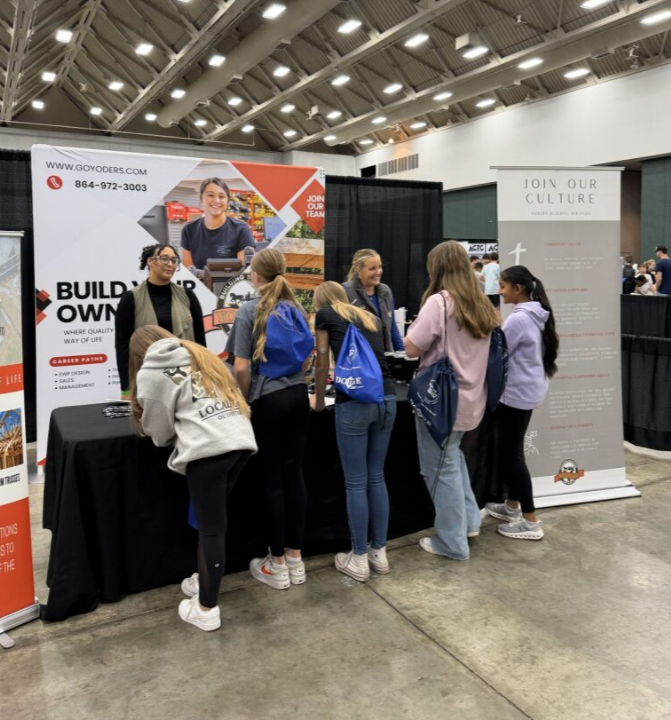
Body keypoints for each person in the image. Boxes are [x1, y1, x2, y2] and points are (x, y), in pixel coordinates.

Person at [129, 325, 257, 631]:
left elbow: (159, 434)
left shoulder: (150, 371)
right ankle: (204, 578)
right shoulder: (198, 354)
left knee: (211, 530)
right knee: (210, 523)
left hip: (208, 450)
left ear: (136, 355)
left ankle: (206, 608)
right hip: (239, 441)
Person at [404, 241, 498, 560]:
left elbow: (412, 348)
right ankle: (469, 523)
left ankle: (451, 542)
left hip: (440, 403)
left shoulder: (439, 303)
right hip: (472, 400)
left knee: (439, 471)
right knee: (454, 461)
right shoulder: (482, 303)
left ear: (438, 268)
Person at [226, 248, 312, 590]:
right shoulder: (296, 308)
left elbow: (241, 367)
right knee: (295, 476)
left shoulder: (250, 310)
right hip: (297, 397)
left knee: (273, 480)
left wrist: (244, 402)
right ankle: (295, 558)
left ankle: (275, 564)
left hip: (269, 401)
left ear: (255, 275)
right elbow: (306, 361)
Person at [311, 281, 396, 582]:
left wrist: (319, 401)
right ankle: (380, 554)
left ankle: (358, 558)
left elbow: (322, 363)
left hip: (354, 404)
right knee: (377, 476)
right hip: (386, 400)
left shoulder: (324, 315)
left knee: (356, 483)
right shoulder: (368, 316)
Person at [485, 266, 559, 540]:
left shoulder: (519, 319)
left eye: (503, 286)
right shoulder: (535, 314)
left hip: (516, 395)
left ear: (517, 288)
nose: (499, 291)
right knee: (512, 450)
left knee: (512, 455)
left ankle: (530, 522)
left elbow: (499, 355)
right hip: (526, 391)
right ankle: (512, 506)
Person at [115, 243, 206, 395]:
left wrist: (203, 376)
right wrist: (126, 389)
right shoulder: (131, 299)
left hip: (186, 377)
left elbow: (200, 342)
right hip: (149, 378)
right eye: (164, 259)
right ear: (150, 261)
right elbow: (123, 347)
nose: (170, 264)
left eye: (174, 260)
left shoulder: (187, 296)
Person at [180, 177, 255, 271]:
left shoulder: (241, 230)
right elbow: (188, 272)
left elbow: (243, 273)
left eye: (221, 196)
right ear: (201, 197)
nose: (216, 201)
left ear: (228, 200)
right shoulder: (189, 230)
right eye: (210, 195)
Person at [343, 249, 404, 353]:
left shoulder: (386, 291)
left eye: (379, 267)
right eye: (372, 268)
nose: (378, 272)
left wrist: (402, 353)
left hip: (385, 359)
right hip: (360, 360)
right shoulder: (345, 291)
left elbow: (392, 328)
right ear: (359, 270)